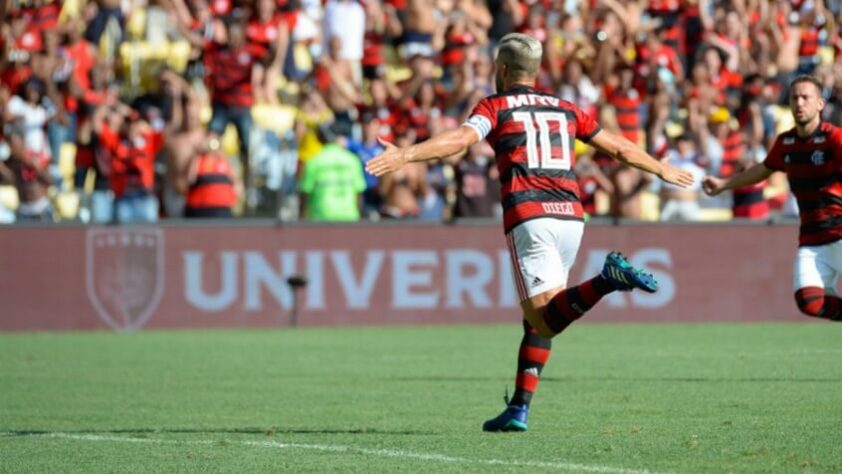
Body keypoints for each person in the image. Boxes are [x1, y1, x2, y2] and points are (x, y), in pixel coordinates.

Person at [366, 33, 695, 432]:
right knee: (538, 317)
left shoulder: (496, 105)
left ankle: (608, 279)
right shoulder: (565, 108)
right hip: (571, 216)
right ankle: (520, 408)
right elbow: (619, 148)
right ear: (535, 73)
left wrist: (404, 153)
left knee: (544, 320)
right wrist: (661, 168)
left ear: (502, 70)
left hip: (530, 215)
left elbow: (460, 140)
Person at [703, 75, 842, 323]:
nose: (799, 103)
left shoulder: (834, 138)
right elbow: (762, 169)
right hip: (811, 239)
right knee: (809, 302)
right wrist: (724, 184)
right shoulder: (786, 142)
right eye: (794, 98)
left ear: (820, 104)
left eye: (806, 98)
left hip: (840, 232)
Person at [298, 123, 366, 222]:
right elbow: (359, 192)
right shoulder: (353, 160)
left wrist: (302, 217)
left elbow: (305, 192)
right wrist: (359, 215)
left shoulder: (314, 161)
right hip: (349, 216)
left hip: (320, 216)